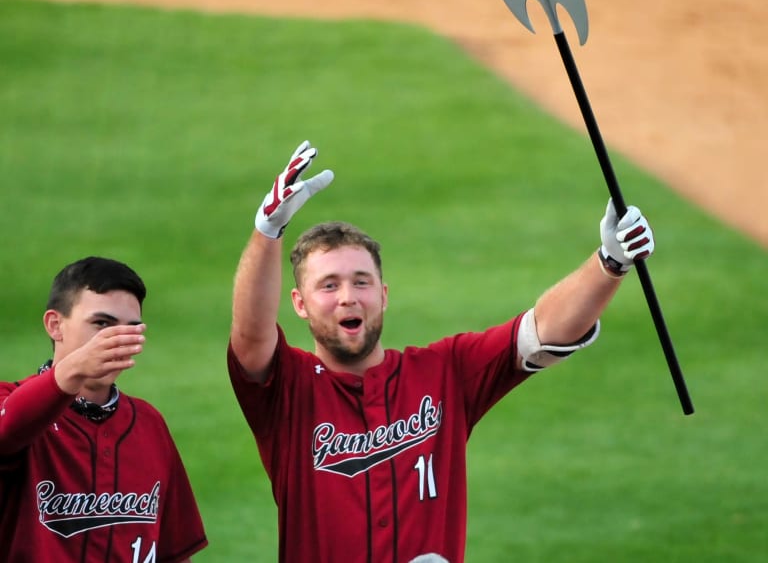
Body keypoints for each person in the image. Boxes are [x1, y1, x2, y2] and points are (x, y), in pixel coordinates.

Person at [228, 141, 654, 563]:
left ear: (383, 295)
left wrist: (610, 262)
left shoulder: (443, 371)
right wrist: (268, 233)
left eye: (361, 281)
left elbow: (542, 333)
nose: (348, 298)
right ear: (299, 303)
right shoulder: (286, 390)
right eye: (328, 285)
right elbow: (250, 337)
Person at [0, 256, 208, 562]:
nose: (117, 339)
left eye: (131, 328)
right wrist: (75, 370)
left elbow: (173, 552)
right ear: (55, 325)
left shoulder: (149, 424)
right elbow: (10, 428)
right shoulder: (10, 400)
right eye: (102, 324)